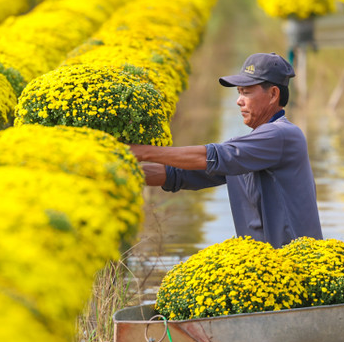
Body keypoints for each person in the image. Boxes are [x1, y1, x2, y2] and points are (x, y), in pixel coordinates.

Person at [129, 52, 322, 248]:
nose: (239, 100)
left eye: (246, 92)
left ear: (273, 94)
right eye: (239, 92)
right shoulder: (250, 148)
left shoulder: (283, 135)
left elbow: (216, 156)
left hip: (295, 268)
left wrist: (143, 151)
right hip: (262, 266)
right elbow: (178, 175)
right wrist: (123, 171)